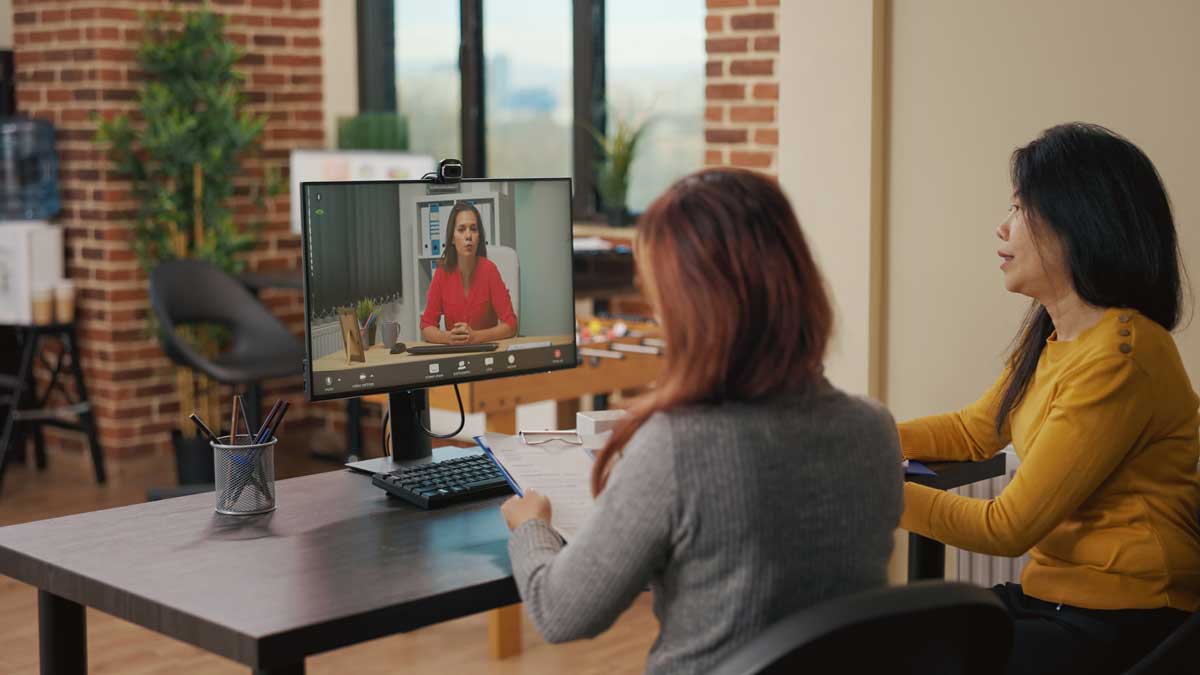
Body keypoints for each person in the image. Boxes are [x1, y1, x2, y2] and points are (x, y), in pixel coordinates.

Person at [499, 168, 903, 673]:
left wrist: (530, 528)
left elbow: (561, 613)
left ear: (692, 308)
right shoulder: (873, 430)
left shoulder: (677, 448)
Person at [898, 123, 1200, 675]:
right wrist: (864, 436)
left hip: (1127, 619)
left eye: (1019, 207)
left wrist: (874, 490)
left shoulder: (1122, 357)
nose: (1002, 226)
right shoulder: (1057, 333)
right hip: (1058, 602)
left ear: (1078, 220)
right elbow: (975, 430)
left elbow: (1007, 526)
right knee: (905, 638)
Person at [420, 201, 517, 345]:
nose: (468, 236)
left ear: (479, 237)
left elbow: (511, 324)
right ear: (452, 238)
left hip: (486, 355)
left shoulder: (489, 270)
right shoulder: (442, 273)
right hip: (455, 355)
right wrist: (448, 338)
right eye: (461, 229)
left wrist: (476, 337)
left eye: (473, 229)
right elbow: (426, 326)